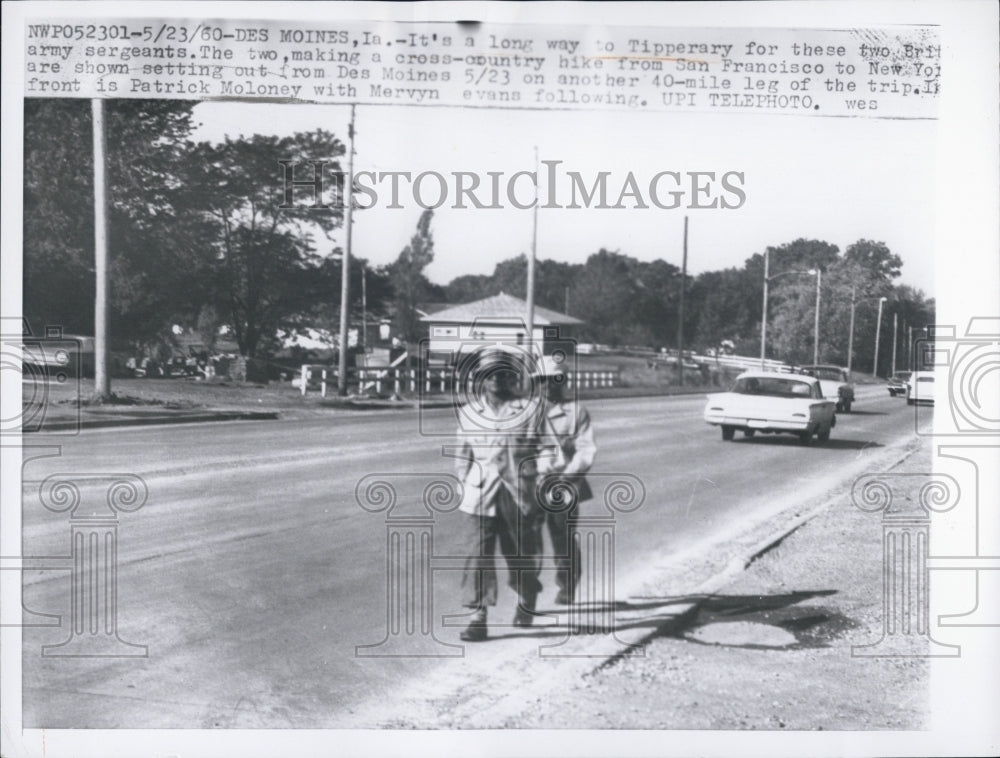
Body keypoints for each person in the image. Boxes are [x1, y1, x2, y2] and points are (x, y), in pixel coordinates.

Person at [453, 348, 545, 642]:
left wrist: (539, 487)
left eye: (504, 374)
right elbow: (462, 455)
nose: (497, 380)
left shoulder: (530, 410)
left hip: (517, 493)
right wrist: (463, 483)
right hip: (479, 494)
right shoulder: (469, 412)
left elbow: (545, 452)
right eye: (490, 374)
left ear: (512, 378)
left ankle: (527, 597)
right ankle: (477, 617)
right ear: (481, 378)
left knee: (520, 554)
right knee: (477, 556)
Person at [534, 355, 597, 605]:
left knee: (561, 535)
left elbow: (586, 451)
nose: (549, 385)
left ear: (564, 381)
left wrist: (565, 477)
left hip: (564, 483)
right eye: (544, 380)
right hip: (532, 481)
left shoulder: (576, 412)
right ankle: (527, 587)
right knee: (527, 538)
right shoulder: (525, 412)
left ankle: (567, 583)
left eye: (555, 380)